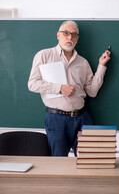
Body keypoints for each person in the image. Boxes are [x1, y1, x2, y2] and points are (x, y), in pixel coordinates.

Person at [28, 20, 111, 156]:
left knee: (88, 160)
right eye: (65, 33)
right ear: (58, 35)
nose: (69, 37)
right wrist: (59, 88)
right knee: (59, 163)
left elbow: (92, 91)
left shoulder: (83, 62)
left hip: (82, 118)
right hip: (57, 119)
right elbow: (32, 83)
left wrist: (101, 66)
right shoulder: (44, 55)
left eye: (73, 34)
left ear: (77, 39)